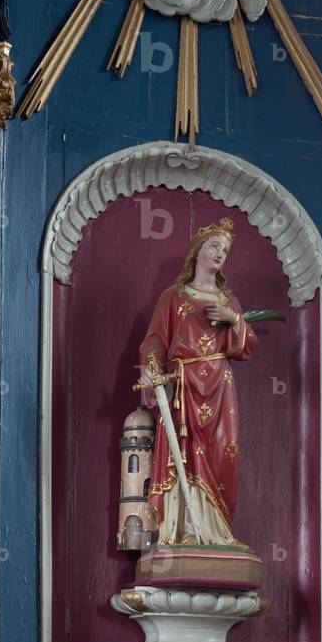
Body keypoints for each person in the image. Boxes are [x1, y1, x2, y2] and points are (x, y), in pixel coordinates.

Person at [139, 217, 257, 546]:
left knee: (221, 453)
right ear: (197, 252)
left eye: (225, 250)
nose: (220, 253)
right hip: (182, 384)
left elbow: (247, 347)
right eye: (213, 246)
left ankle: (217, 534)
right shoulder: (174, 296)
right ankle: (182, 529)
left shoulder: (228, 302)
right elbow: (156, 340)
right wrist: (151, 367)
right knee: (183, 450)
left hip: (219, 387)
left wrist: (234, 320)